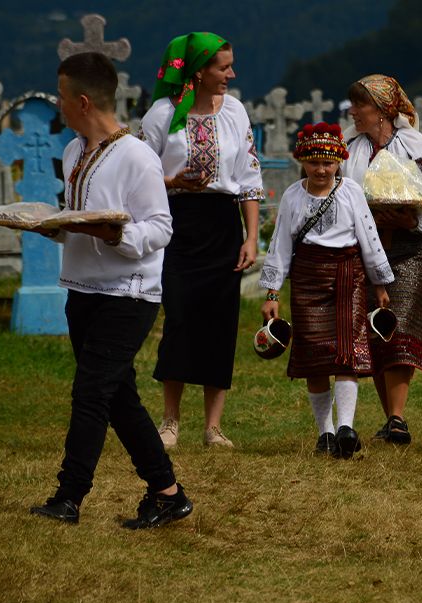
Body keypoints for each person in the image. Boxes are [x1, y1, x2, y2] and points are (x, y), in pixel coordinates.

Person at [29, 51, 192, 529]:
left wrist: (116, 235)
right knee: (118, 397)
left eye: (61, 97)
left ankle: (69, 496)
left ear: (82, 101)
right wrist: (54, 227)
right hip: (82, 288)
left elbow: (160, 229)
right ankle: (167, 493)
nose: (57, 105)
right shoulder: (74, 151)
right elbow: (78, 216)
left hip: (129, 292)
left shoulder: (137, 156)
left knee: (91, 394)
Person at [139, 32, 263, 450]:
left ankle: (213, 427)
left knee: (219, 322)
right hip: (177, 221)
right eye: (223, 67)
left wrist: (251, 237)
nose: (231, 73)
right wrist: (173, 181)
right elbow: (140, 174)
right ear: (198, 71)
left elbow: (248, 177)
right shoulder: (160, 114)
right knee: (179, 318)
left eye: (230, 65)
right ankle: (170, 421)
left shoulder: (236, 112)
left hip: (222, 223)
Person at [259, 122, 394, 458]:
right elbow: (280, 246)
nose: (321, 170)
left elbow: (369, 239)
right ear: (301, 160)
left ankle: (347, 426)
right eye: (314, 162)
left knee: (347, 352)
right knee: (315, 357)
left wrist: (379, 283)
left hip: (348, 277)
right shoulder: (292, 196)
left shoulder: (351, 193)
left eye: (328, 163)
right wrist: (272, 293)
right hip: (306, 278)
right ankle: (326, 433)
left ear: (339, 162)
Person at [343, 74, 422, 445]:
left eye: (360, 106)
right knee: (374, 332)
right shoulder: (350, 147)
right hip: (363, 251)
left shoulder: (413, 143)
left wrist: (413, 217)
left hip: (406, 248)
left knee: (397, 325)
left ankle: (398, 416)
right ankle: (391, 420)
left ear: (383, 111)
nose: (353, 112)